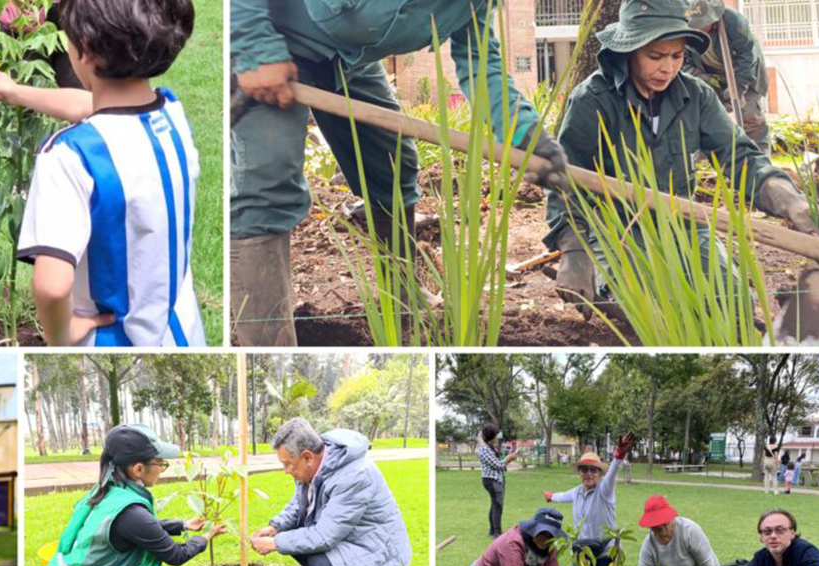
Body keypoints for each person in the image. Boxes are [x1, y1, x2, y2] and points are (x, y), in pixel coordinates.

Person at [229, 0, 570, 345]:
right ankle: (270, 344)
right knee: (267, 186)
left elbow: (483, 68)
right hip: (271, 38)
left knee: (393, 162)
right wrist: (255, 46)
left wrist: (526, 135)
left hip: (349, 61)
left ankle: (402, 294)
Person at [542, 0, 816, 319]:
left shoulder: (697, 97)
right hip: (618, 225)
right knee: (639, 307)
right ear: (629, 50)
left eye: (677, 56)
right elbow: (564, 181)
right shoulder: (592, 101)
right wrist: (574, 251)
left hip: (683, 222)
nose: (668, 68)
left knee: (733, 300)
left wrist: (789, 201)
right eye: (655, 56)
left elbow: (741, 156)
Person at [0, 0, 206, 346]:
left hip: (112, 341)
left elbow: (52, 286)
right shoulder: (170, 113)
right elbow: (87, 108)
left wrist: (60, 336)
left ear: (85, 49)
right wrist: (15, 93)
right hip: (181, 333)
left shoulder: (70, 156)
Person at [37, 424, 226, 566]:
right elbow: (175, 555)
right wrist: (206, 537)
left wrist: (182, 525)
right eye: (161, 463)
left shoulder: (109, 490)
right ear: (138, 469)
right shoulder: (131, 513)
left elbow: (139, 529)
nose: (162, 469)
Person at [249, 418, 411, 566]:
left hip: (380, 547)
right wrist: (276, 527)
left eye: (287, 464)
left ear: (307, 456)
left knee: (318, 562)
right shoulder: (315, 465)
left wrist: (275, 543)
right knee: (291, 538)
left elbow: (325, 536)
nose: (286, 470)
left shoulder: (354, 476)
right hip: (351, 536)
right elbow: (300, 503)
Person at [544, 433, 636, 566]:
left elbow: (613, 474)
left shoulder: (605, 490)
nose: (588, 474)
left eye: (593, 470)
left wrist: (618, 455)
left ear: (600, 473)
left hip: (604, 552)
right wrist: (550, 496)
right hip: (583, 552)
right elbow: (563, 496)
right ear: (579, 472)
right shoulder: (577, 491)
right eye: (584, 470)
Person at [685, 0, 771, 154]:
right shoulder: (686, 28)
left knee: (750, 116)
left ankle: (761, 161)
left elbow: (748, 57)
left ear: (713, 17)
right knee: (712, 118)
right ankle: (723, 160)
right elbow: (685, 65)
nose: (700, 28)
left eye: (703, 23)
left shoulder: (732, 20)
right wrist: (709, 82)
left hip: (744, 73)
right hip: (712, 77)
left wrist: (737, 88)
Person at [478, 424, 517, 539]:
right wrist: (508, 458)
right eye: (496, 434)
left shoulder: (491, 447)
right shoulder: (485, 449)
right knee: (498, 506)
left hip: (497, 479)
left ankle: (493, 530)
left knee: (495, 505)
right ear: (491, 435)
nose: (497, 436)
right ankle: (497, 533)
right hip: (492, 480)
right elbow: (498, 465)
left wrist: (508, 460)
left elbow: (498, 464)